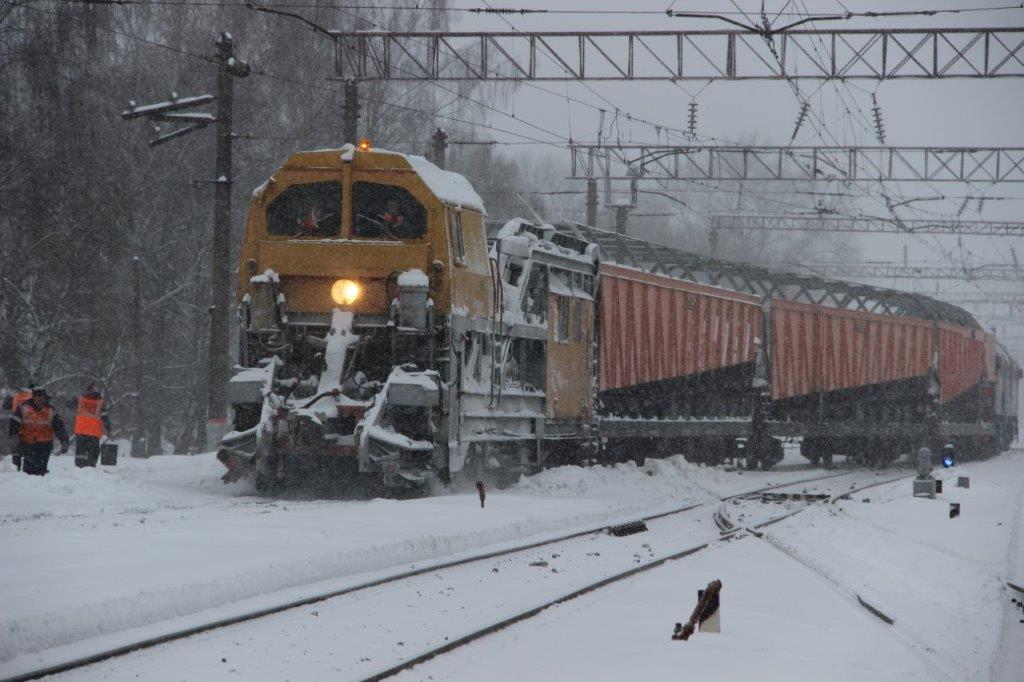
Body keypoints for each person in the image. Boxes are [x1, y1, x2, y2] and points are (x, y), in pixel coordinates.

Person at [9, 388, 69, 476]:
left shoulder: (51, 410)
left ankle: (40, 484)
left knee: (41, 471)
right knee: (28, 471)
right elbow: (13, 430)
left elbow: (59, 427)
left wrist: (64, 440)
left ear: (45, 398)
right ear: (33, 397)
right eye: (38, 397)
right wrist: (15, 452)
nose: (41, 400)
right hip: (28, 445)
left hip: (45, 446)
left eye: (42, 397)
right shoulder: (23, 408)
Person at [73, 382, 112, 468]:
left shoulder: (81, 400)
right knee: (93, 452)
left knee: (80, 451)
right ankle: (90, 467)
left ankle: (79, 467)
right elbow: (104, 418)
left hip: (80, 431)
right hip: (93, 432)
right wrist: (109, 430)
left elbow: (69, 404)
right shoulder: (100, 403)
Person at [3, 384, 34, 471]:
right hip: (30, 425)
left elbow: (5, 406)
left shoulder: (16, 395)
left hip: (16, 422)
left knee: (15, 445)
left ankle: (17, 464)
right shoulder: (33, 396)